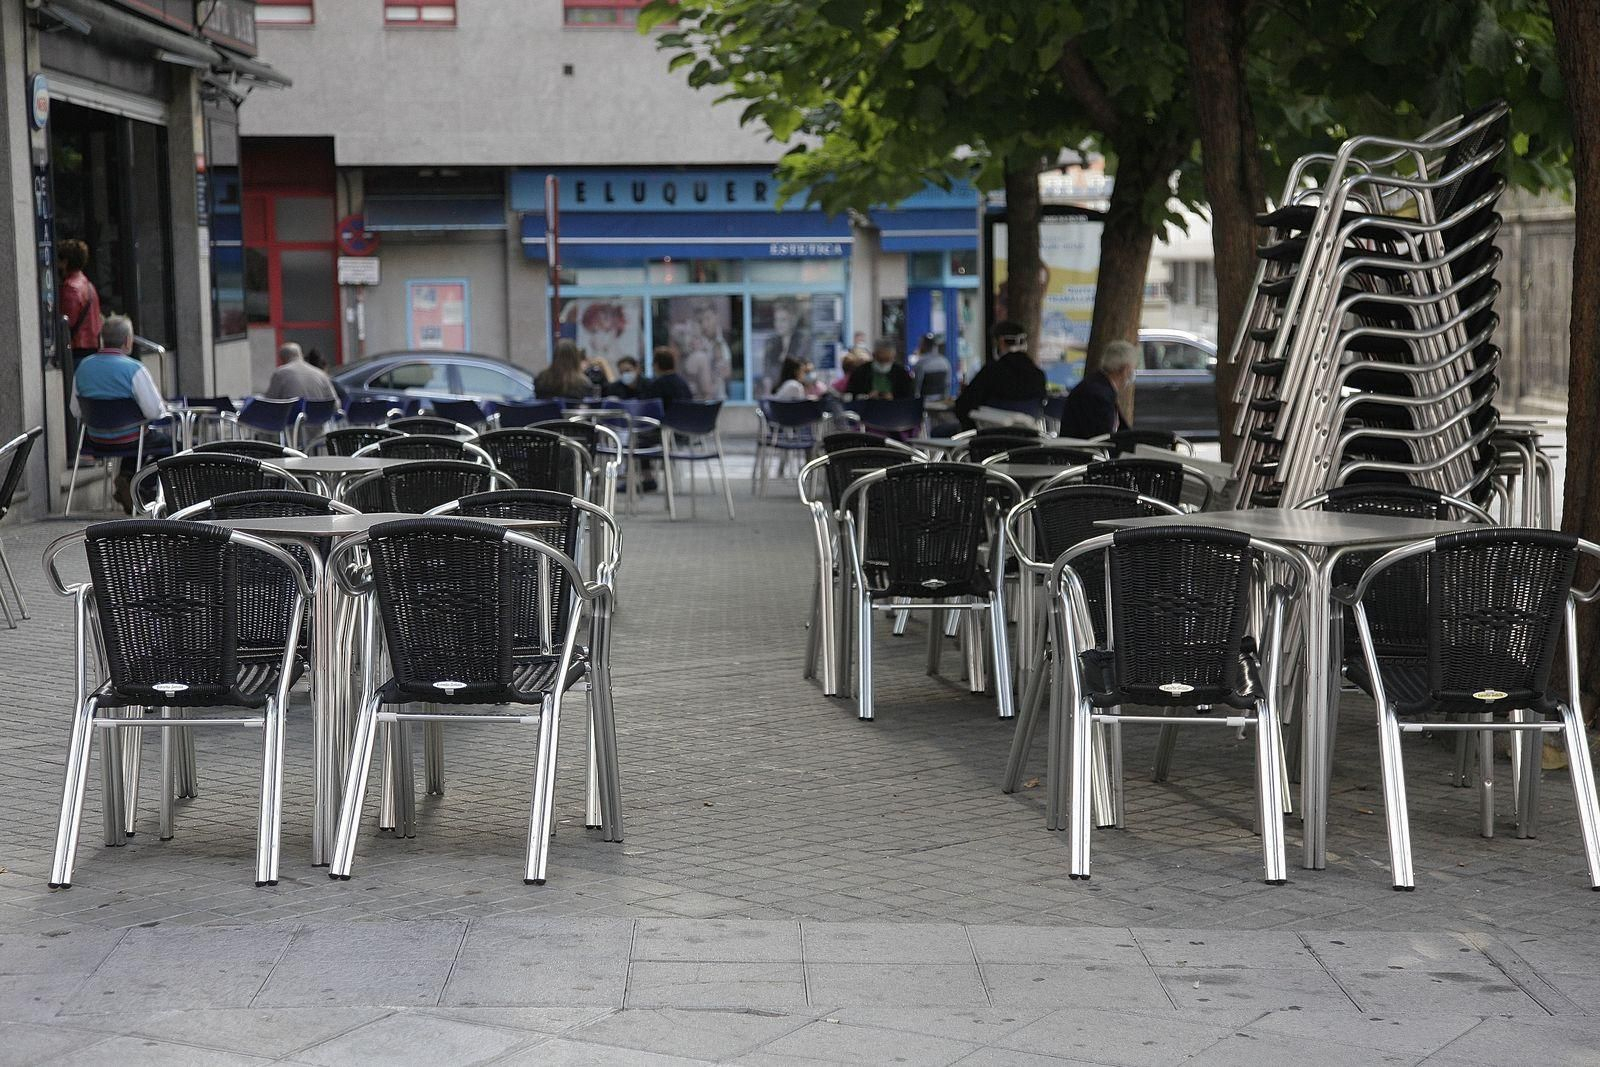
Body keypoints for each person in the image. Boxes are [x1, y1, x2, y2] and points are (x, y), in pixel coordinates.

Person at [71, 315, 169, 514]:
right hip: (130, 439)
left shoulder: (83, 367)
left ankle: (127, 478)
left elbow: (75, 410)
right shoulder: (134, 369)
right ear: (127, 341)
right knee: (171, 447)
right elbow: (154, 412)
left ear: (101, 340)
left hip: (95, 439)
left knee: (137, 438)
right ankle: (136, 484)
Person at [952, 320, 1047, 429]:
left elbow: (963, 407)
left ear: (1001, 342)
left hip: (989, 439)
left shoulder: (991, 372)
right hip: (1028, 440)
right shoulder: (1038, 375)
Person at [1061, 339, 1138, 437]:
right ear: (1125, 369)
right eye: (1133, 368)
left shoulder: (1098, 386)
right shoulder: (1098, 395)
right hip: (1084, 450)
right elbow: (1103, 436)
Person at [58, 239, 103, 368]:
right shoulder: (88, 285)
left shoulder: (70, 288)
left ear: (65, 262)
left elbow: (67, 323)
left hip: (77, 350)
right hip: (92, 348)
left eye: (59, 261)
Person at [762, 297, 811, 391]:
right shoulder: (771, 344)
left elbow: (805, 368)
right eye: (776, 320)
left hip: (796, 390)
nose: (778, 324)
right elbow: (766, 373)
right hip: (775, 391)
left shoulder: (803, 342)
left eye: (783, 320)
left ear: (792, 321)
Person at [264, 341, 339, 401]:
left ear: (282, 358)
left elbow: (270, 401)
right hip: (318, 418)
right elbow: (335, 403)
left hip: (293, 418)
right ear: (301, 355)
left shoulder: (280, 374)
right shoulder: (321, 374)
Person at [844, 338, 915, 399]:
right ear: (874, 355)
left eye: (887, 360)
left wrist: (894, 397)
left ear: (893, 357)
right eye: (880, 359)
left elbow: (909, 397)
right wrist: (866, 397)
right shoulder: (860, 372)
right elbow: (850, 395)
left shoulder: (902, 374)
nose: (883, 363)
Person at [911, 332, 952, 399]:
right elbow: (947, 384)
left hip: (925, 402)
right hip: (941, 401)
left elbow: (917, 386)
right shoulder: (945, 362)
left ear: (923, 345)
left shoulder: (921, 363)